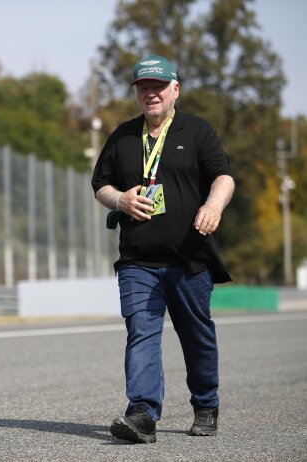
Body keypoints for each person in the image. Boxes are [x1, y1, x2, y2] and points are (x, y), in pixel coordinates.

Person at [91, 54, 235, 444]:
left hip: (190, 257)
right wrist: (120, 200)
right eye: (143, 87)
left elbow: (223, 177)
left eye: (157, 86)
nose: (150, 93)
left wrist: (212, 205)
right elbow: (100, 185)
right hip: (138, 260)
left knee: (196, 333)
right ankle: (142, 414)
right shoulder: (122, 136)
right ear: (136, 93)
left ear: (175, 89)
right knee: (141, 331)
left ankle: (206, 404)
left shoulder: (197, 130)